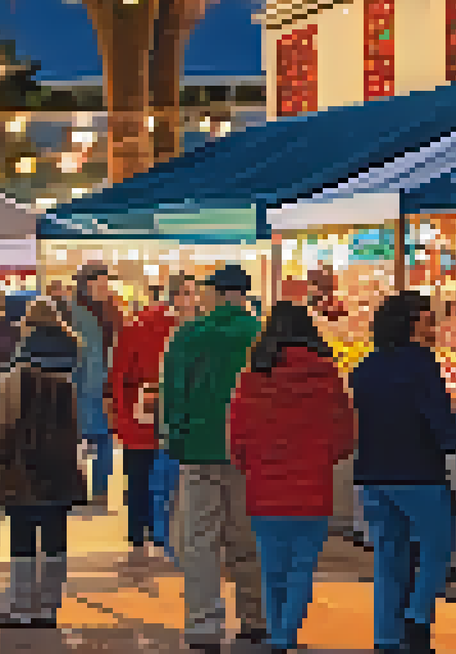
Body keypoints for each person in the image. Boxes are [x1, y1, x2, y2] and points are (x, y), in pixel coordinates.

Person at [350, 291, 456, 654]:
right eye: (427, 318)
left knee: (389, 554)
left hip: (372, 472)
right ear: (412, 322)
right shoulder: (421, 363)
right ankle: (418, 618)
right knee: (438, 547)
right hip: (417, 471)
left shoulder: (367, 365)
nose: (433, 326)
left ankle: (386, 635)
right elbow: (437, 419)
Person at [229, 302, 354, 653]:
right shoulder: (328, 376)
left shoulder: (252, 378)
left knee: (272, 569)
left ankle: (277, 633)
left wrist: (253, 465)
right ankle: (286, 634)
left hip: (265, 490)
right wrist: (320, 459)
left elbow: (237, 437)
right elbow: (346, 436)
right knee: (302, 568)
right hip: (313, 489)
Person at [159, 263, 266, 650]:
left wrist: (173, 437)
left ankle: (204, 622)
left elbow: (173, 391)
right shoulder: (261, 335)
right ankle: (256, 617)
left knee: (200, 539)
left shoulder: (190, 334)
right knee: (246, 535)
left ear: (219, 293)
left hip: (199, 450)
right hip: (248, 452)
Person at [0, 322, 85, 629]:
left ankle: (21, 605)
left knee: (22, 539)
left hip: (22, 473)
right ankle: (49, 607)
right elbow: (76, 432)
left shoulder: (15, 382)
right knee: (55, 539)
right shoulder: (67, 386)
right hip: (59, 474)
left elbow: (2, 428)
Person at [110, 277, 185, 561]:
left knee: (138, 475)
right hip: (171, 414)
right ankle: (160, 531)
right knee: (167, 478)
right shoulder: (182, 329)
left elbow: (119, 374)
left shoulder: (134, 327)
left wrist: (120, 413)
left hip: (137, 414)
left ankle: (137, 530)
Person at [151, 275, 200, 562]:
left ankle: (179, 542)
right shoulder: (160, 328)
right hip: (173, 420)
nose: (190, 299)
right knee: (167, 484)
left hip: (193, 422)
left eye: (193, 293)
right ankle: (165, 539)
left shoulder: (202, 331)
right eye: (185, 293)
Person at [69, 266, 119, 510]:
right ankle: (76, 489)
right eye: (99, 285)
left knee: (104, 440)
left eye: (105, 284)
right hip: (78, 386)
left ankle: (100, 491)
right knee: (75, 440)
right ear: (85, 286)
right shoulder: (72, 312)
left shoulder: (110, 312)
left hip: (103, 386)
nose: (104, 289)